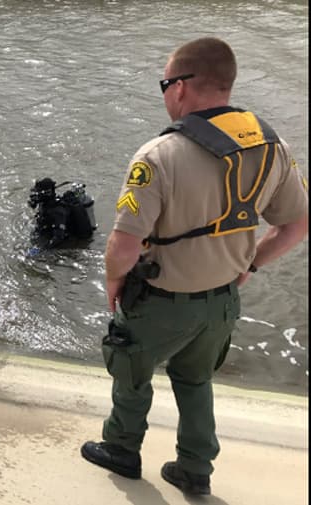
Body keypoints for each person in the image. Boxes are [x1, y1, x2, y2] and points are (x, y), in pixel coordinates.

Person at [80, 37, 308, 495]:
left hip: (161, 301)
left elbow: (124, 245)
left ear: (181, 87)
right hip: (223, 301)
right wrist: (250, 266)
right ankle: (195, 468)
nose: (165, 93)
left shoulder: (158, 156)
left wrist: (112, 280)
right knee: (196, 380)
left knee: (131, 371)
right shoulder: (272, 146)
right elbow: (296, 226)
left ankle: (122, 448)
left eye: (165, 83)